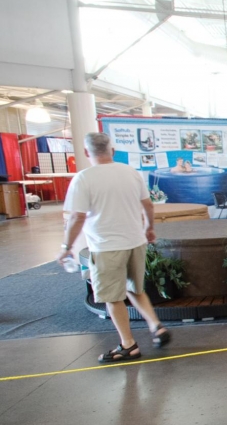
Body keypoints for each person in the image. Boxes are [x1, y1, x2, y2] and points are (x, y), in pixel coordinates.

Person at [59, 133, 171, 362]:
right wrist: (149, 229)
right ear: (113, 150)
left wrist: (66, 246)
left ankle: (128, 345)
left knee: (112, 297)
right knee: (134, 288)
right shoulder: (130, 173)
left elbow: (77, 217)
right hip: (135, 241)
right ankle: (155, 325)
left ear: (86, 152)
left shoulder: (83, 178)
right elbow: (148, 205)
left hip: (106, 246)